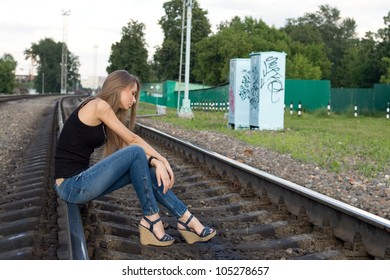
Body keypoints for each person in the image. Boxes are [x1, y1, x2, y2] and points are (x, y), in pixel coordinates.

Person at [53, 70, 216, 247]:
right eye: (132, 94)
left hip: (79, 184)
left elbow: (129, 152)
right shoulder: (98, 105)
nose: (134, 100)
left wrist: (153, 162)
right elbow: (133, 142)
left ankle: (186, 218)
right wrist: (162, 160)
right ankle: (152, 219)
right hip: (72, 185)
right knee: (137, 151)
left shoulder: (105, 113)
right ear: (119, 88)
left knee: (140, 167)